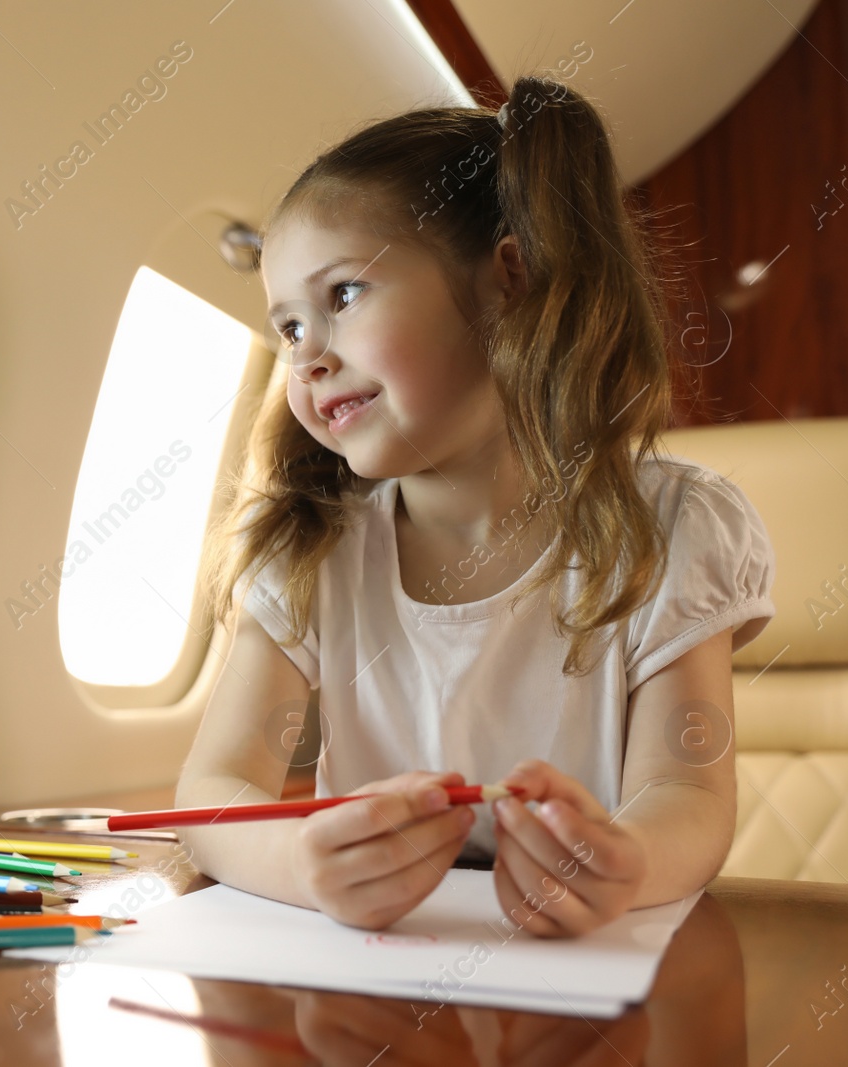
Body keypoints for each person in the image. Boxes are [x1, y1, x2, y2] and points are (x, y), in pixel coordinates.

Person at [175, 75, 776, 938]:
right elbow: (211, 790)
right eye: (289, 327)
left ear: (509, 279)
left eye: (342, 295)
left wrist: (626, 861)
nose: (305, 357)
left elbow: (685, 791)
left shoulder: (675, 528)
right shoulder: (308, 548)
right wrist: (303, 862)